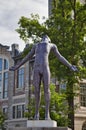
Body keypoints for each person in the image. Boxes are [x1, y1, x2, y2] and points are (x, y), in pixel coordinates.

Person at [10, 35, 78, 120]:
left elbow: (60, 57)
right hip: (36, 69)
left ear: (48, 40)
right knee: (37, 91)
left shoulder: (52, 45)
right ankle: (36, 114)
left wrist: (70, 66)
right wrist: (17, 66)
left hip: (45, 68)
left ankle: (47, 114)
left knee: (47, 90)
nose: (45, 37)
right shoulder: (36, 45)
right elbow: (28, 57)